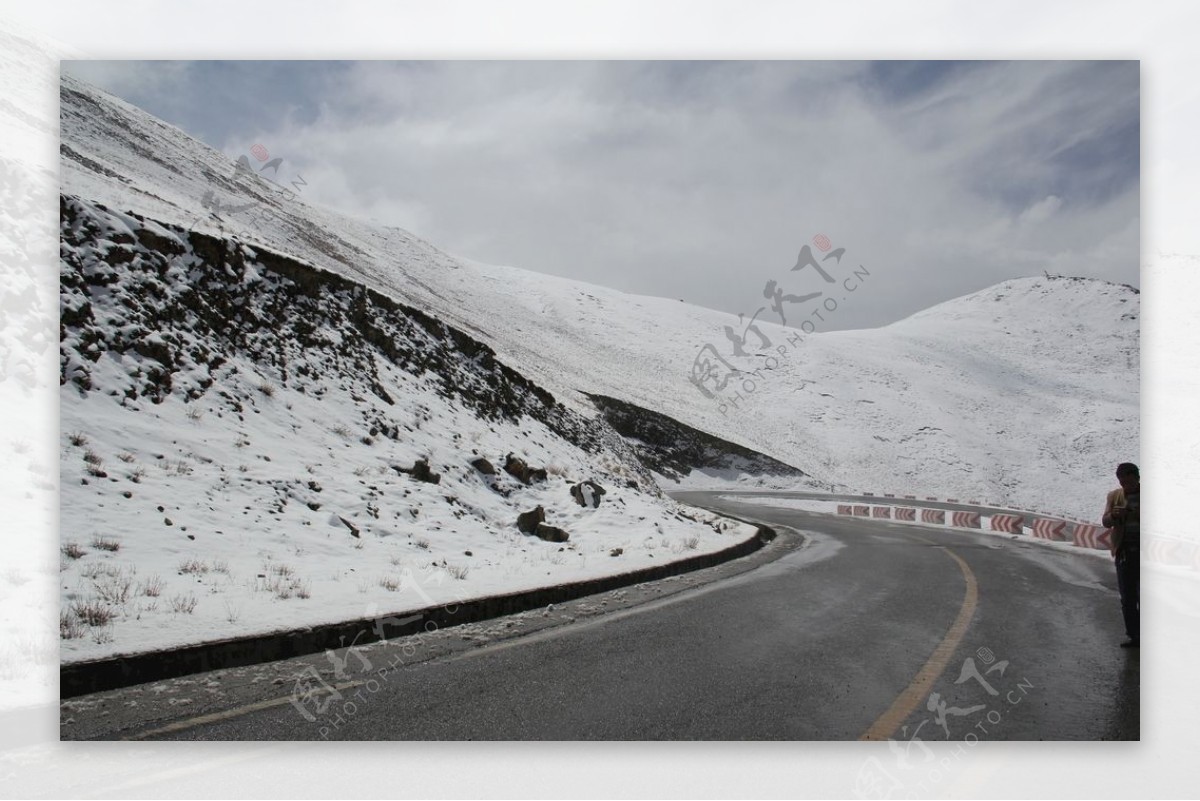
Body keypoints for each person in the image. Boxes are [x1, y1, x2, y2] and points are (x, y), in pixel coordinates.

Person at [1101, 462, 1140, 648]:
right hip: (1124, 553)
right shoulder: (1114, 496)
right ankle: (1134, 636)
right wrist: (1114, 516)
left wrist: (1134, 512)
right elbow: (1105, 522)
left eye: (1129, 482)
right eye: (1122, 482)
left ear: (1137, 478)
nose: (1126, 486)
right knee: (1128, 597)